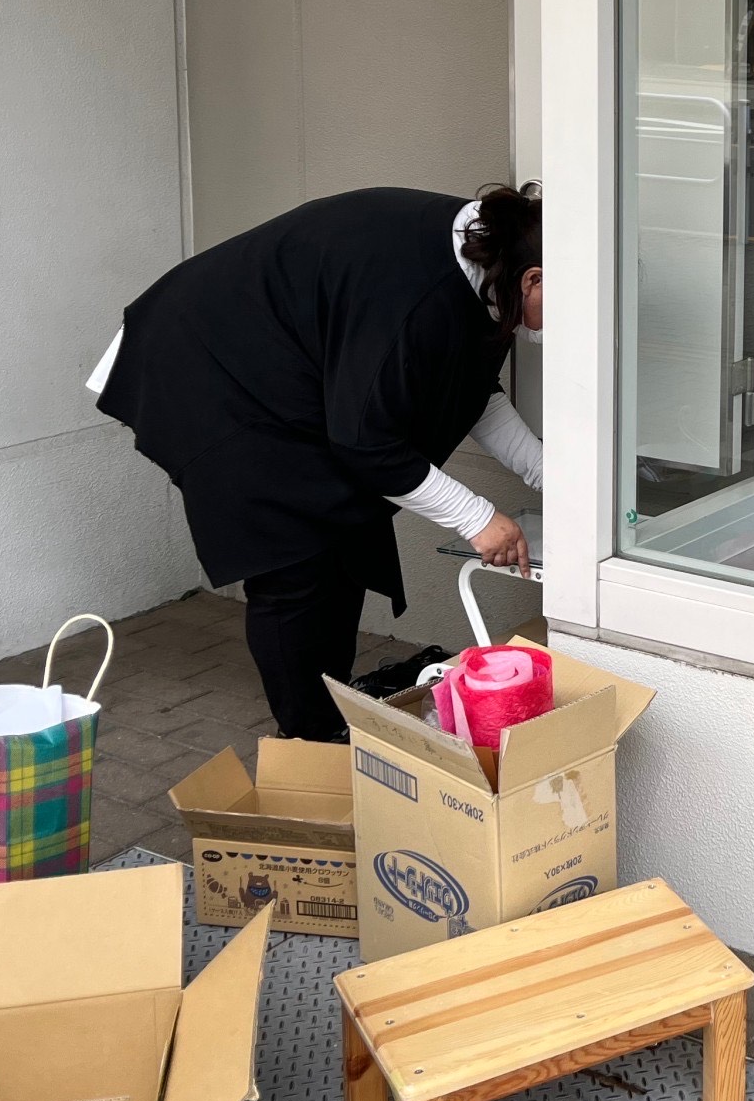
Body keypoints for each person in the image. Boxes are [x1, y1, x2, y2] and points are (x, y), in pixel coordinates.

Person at [92, 185, 544, 739]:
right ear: (533, 280)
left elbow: (472, 392)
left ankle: (329, 709)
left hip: (295, 367)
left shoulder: (489, 266)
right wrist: (476, 517)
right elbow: (367, 445)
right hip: (209, 363)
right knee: (293, 559)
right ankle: (309, 740)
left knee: (345, 543)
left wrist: (550, 473)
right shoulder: (413, 292)